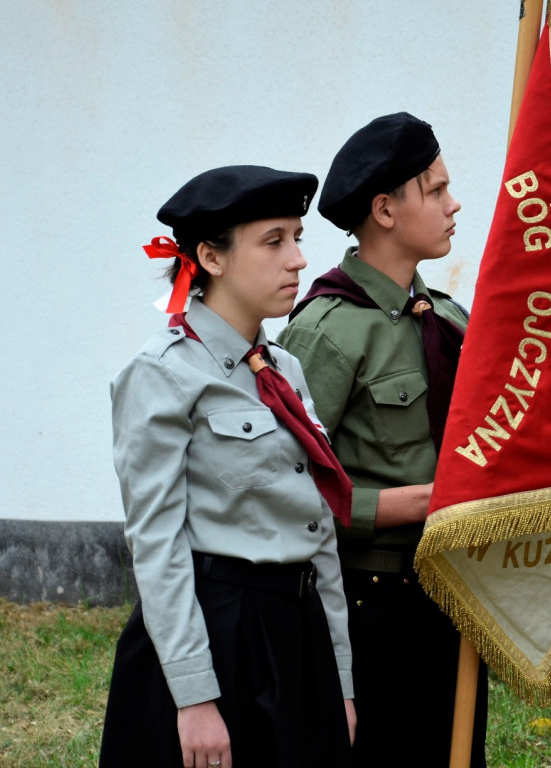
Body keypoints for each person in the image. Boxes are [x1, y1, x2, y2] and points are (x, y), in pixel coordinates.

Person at [99, 165, 356, 768]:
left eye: (298, 237)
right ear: (211, 257)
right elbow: (157, 542)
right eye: (274, 241)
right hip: (220, 636)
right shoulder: (162, 373)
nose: (297, 260)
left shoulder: (283, 370)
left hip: (298, 631)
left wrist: (338, 680)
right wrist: (193, 699)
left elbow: (318, 531)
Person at [277, 113, 488, 767]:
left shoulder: (450, 320)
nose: (454, 205)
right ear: (385, 209)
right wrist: (416, 503)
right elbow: (287, 484)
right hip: (374, 602)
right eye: (437, 190)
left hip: (455, 596)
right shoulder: (328, 330)